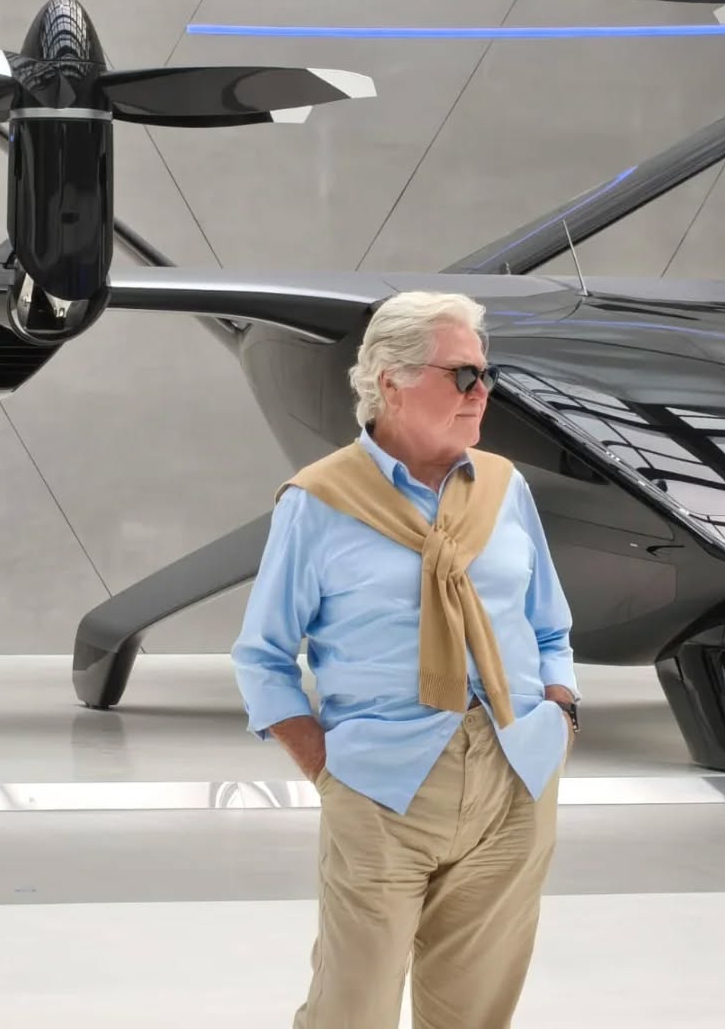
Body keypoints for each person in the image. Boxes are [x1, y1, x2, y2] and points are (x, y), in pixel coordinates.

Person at [230, 289, 581, 1028]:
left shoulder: (504, 488)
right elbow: (262, 656)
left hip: (516, 775)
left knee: (474, 1013)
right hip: (382, 784)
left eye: (486, 374)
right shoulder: (319, 500)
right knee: (351, 1008)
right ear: (390, 381)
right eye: (462, 375)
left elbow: (549, 625)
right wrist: (328, 768)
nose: (481, 392)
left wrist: (561, 712)